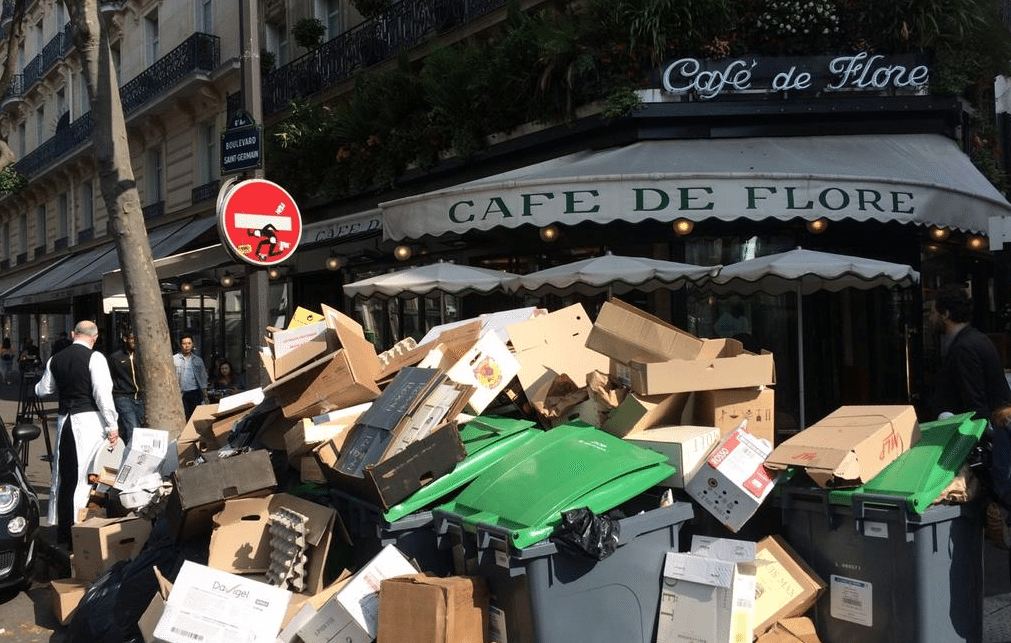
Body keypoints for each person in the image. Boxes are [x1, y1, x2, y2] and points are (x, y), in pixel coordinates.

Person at [34, 320, 118, 548]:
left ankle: (64, 532)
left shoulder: (56, 359)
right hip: (89, 421)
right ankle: (80, 531)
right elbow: (102, 393)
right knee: (87, 476)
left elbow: (42, 390)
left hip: (65, 421)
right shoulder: (96, 358)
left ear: (73, 334)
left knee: (65, 476)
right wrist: (113, 425)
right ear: (95, 337)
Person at [928, 285, 1011, 422]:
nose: (930, 319)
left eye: (933, 313)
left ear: (946, 314)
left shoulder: (964, 347)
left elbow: (974, 404)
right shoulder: (975, 339)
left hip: (979, 434)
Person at [107, 331, 143, 445]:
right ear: (125, 339)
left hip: (139, 398)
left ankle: (123, 451)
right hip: (122, 397)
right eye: (132, 338)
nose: (134, 341)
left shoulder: (141, 355)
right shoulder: (115, 357)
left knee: (137, 428)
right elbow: (109, 378)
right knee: (132, 428)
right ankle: (130, 459)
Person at [173, 333, 208, 419]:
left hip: (195, 392)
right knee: (183, 417)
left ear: (192, 344)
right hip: (180, 393)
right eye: (184, 343)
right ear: (180, 345)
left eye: (189, 343)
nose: (187, 346)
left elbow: (203, 378)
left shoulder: (198, 360)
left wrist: (205, 396)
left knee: (194, 417)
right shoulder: (174, 359)